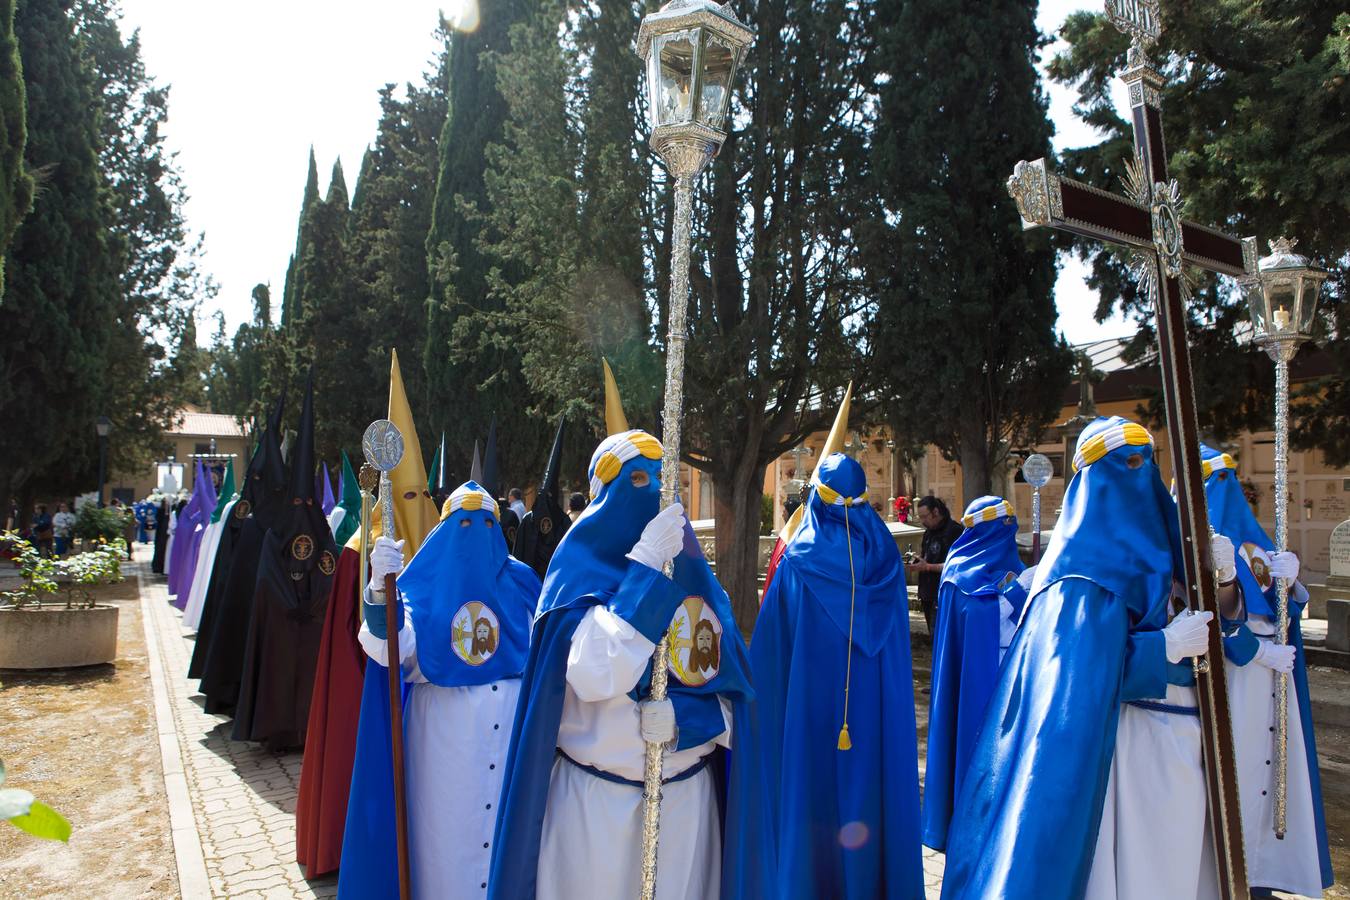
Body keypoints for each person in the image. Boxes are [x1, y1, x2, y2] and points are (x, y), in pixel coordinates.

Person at [940, 417, 1238, 899]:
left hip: (1188, 737)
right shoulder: (1075, 570)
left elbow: (1224, 630)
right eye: (1125, 464)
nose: (1138, 475)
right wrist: (1162, 648)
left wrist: (1223, 580)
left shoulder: (1174, 549)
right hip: (1119, 744)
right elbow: (1074, 676)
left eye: (1145, 462)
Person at [488, 424, 753, 900]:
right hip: (597, 814)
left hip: (686, 807)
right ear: (601, 495)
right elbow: (597, 675)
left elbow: (740, 708)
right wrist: (645, 570)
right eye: (634, 480)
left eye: (660, 478)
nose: (650, 492)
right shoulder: (574, 579)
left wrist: (685, 720)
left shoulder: (702, 589)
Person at [726, 451, 923, 898]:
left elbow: (772, 657)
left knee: (810, 792)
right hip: (874, 716)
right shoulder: (888, 562)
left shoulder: (798, 563)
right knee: (873, 792)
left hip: (812, 713)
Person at [360, 481, 542, 896]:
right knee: (444, 844)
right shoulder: (418, 583)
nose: (475, 532)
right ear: (444, 530)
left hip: (511, 739)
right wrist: (377, 588)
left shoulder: (523, 581)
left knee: (505, 845)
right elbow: (388, 649)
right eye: (463, 523)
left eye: (486, 523)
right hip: (444, 747)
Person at [1200, 445, 1333, 896]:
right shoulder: (1192, 545)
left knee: (1273, 770)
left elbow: (1287, 609)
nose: (1227, 491)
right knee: (1234, 772)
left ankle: (1265, 874)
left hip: (1273, 679)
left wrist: (1292, 581)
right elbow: (1205, 622)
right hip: (1231, 677)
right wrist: (1257, 654)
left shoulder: (1255, 543)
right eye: (1214, 481)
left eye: (1230, 480)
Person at [232, 376, 336, 749]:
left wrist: (316, 604)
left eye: (308, 504)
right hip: (280, 623)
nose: (302, 510)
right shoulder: (274, 537)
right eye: (296, 503)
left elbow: (329, 567)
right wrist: (289, 605)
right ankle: (275, 732)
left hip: (311, 625)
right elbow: (266, 578)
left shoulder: (322, 533)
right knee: (278, 677)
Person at [921, 495, 1024, 852]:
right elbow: (977, 622)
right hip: (975, 687)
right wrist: (1011, 597)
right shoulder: (958, 572)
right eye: (1005, 523)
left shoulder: (1015, 564)